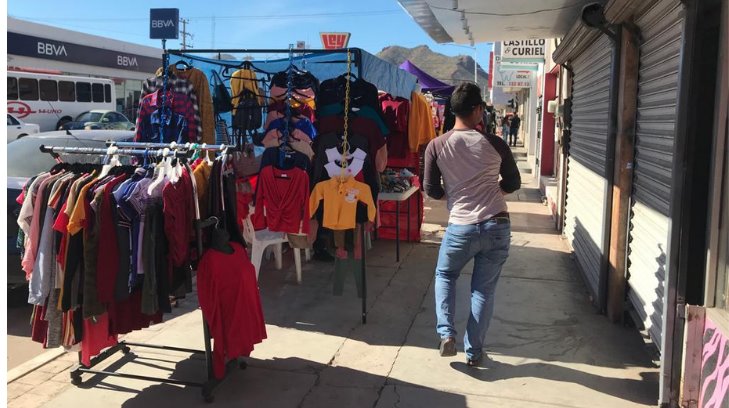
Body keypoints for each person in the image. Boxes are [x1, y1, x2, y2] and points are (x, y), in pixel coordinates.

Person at [424, 83, 521, 366]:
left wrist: (453, 196)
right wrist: (493, 193)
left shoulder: (437, 146)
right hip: (497, 225)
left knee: (445, 276)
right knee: (483, 291)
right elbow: (513, 183)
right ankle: (474, 352)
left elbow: (431, 189)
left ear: (453, 111)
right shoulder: (495, 143)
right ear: (478, 110)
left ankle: (446, 334)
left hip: (460, 228)